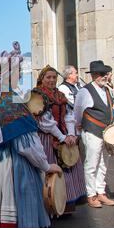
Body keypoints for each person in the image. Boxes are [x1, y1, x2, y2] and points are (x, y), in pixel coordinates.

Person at [0, 42, 62, 228]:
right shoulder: (11, 101)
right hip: (9, 168)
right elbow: (26, 145)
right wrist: (46, 165)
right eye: (18, 71)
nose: (21, 75)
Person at [35, 65, 86, 214]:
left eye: (53, 77)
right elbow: (45, 122)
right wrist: (62, 137)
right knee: (52, 171)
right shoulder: (37, 95)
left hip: (63, 135)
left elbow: (69, 115)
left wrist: (71, 134)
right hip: (46, 139)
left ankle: (65, 203)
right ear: (42, 79)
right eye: (48, 77)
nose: (51, 80)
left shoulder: (59, 95)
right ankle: (51, 205)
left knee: (70, 166)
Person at [74, 60, 114, 208]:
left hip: (106, 132)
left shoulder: (107, 90)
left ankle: (101, 192)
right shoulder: (85, 91)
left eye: (105, 73)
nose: (104, 76)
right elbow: (78, 111)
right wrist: (80, 126)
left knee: (103, 163)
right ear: (93, 75)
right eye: (100, 74)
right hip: (92, 131)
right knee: (91, 164)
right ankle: (91, 194)